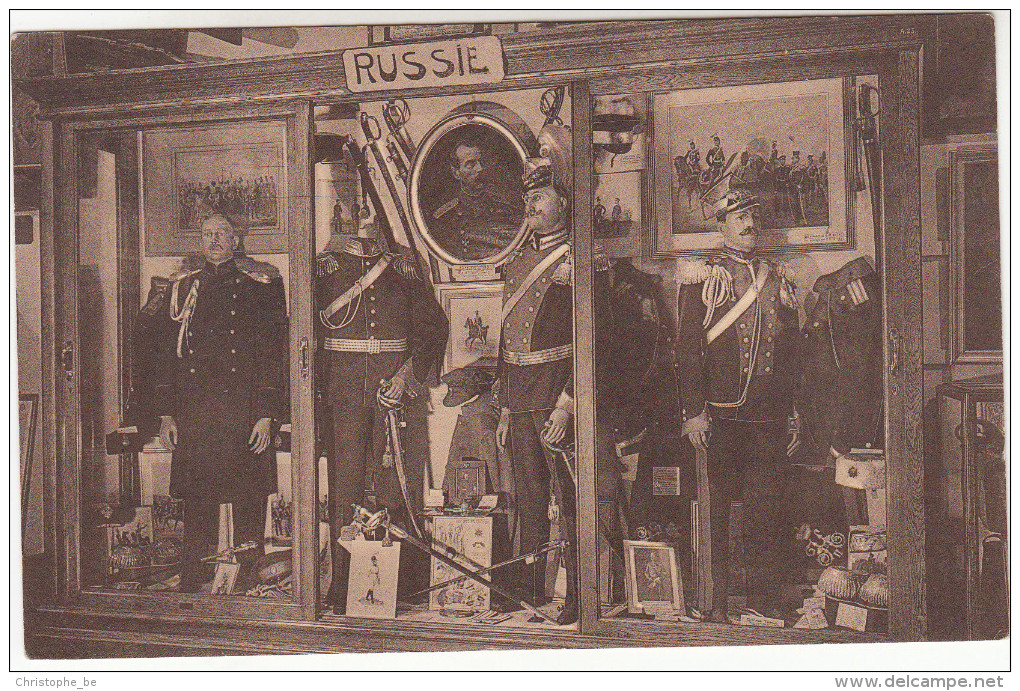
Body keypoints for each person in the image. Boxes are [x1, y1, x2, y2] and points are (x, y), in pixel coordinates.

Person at [493, 162, 615, 625]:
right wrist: (505, 405)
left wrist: (569, 401)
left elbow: (597, 339)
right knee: (527, 498)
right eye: (529, 197)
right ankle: (523, 591)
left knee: (569, 498)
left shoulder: (586, 258)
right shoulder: (518, 260)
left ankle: (578, 597)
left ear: (564, 203)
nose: (532, 204)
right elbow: (506, 340)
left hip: (559, 393)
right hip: (521, 395)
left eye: (541, 196)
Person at [675, 175, 801, 621]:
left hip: (766, 417)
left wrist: (792, 411)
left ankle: (762, 605)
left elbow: (789, 353)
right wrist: (693, 412)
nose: (750, 224)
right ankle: (714, 605)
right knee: (717, 514)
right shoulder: (704, 275)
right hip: (721, 415)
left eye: (753, 216)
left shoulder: (776, 277)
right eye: (740, 217)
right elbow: (688, 350)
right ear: (722, 225)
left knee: (766, 512)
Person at [142, 214, 288, 592]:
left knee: (249, 498)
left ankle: (248, 577)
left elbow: (275, 352)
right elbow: (163, 355)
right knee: (198, 497)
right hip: (197, 410)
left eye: (222, 233)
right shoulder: (183, 285)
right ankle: (195, 577)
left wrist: (267, 415)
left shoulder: (263, 283)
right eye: (207, 234)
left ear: (236, 239)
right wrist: (167, 414)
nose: (214, 240)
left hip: (245, 409)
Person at [315, 222, 448, 614]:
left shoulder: (402, 265)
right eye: (359, 213)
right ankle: (343, 588)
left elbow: (434, 328)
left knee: (398, 490)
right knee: (345, 490)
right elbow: (305, 334)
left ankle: (400, 588)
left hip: (395, 389)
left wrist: (406, 377)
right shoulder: (325, 267)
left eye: (372, 215)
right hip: (344, 391)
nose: (366, 222)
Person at [431, 136, 523, 262]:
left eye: (481, 162)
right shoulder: (444, 218)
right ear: (456, 173)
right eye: (470, 165)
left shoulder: (506, 210)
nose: (480, 169)